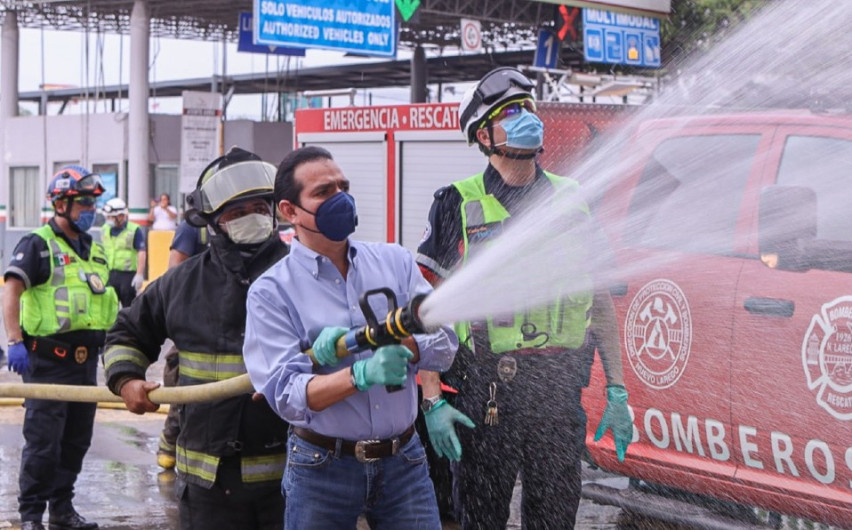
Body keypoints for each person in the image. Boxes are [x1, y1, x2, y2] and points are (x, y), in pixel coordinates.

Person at [416, 67, 634, 529]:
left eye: (529, 109)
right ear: (483, 134)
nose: (527, 118)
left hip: (557, 391)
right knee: (481, 518)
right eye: (511, 112)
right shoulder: (456, 203)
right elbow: (427, 311)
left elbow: (599, 301)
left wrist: (617, 388)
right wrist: (432, 400)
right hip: (487, 391)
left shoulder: (573, 197)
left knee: (556, 518)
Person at [242, 146, 458, 530]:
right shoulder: (271, 292)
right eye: (324, 192)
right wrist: (360, 375)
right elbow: (286, 396)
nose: (340, 198)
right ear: (289, 212)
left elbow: (445, 345)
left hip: (404, 461)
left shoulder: (395, 261)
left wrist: (406, 348)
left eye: (343, 186)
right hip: (322, 468)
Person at [102, 147, 290, 530]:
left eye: (257, 208)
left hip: (288, 480)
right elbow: (127, 332)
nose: (249, 218)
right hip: (207, 485)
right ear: (215, 223)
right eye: (237, 214)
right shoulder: (181, 284)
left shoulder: (300, 274)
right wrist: (126, 378)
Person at [3, 165, 118, 530]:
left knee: (76, 441)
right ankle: (32, 515)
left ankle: (63, 510)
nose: (91, 210)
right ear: (61, 203)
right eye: (84, 202)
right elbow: (12, 291)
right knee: (43, 443)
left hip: (85, 364)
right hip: (47, 360)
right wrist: (14, 341)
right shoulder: (38, 244)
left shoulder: (94, 250)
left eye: (92, 203)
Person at [155, 220, 210, 470]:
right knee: (186, 383)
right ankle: (170, 443)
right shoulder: (194, 228)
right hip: (197, 323)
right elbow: (174, 275)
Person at [101, 197, 147, 308]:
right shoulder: (105, 229)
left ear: (120, 216)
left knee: (129, 308)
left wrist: (140, 274)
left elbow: (141, 252)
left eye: (111, 217)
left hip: (127, 276)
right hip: (109, 274)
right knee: (108, 307)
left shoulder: (134, 230)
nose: (108, 219)